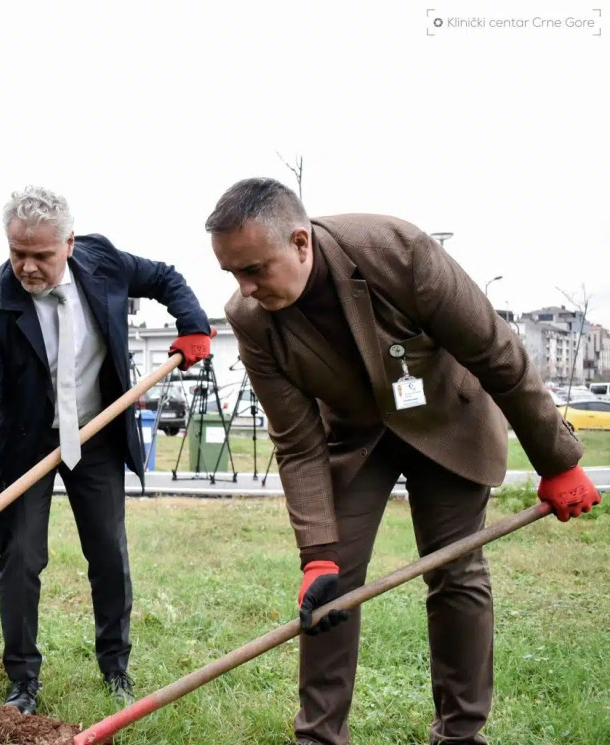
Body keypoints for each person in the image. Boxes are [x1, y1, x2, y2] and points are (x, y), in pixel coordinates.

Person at [207, 177, 601, 745]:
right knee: (328, 589)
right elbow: (297, 442)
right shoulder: (250, 318)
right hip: (356, 434)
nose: (245, 288)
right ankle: (319, 737)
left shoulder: (399, 251)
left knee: (455, 571)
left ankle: (461, 734)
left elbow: (496, 353)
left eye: (255, 269)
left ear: (299, 242)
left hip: (446, 417)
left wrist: (556, 460)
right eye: (232, 274)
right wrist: (317, 555)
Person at [0, 186, 213, 715]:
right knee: (19, 558)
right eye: (16, 253)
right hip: (24, 444)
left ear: (68, 243)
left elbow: (164, 277)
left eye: (40, 255)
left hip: (96, 431)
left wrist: (194, 323)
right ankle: (22, 679)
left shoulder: (104, 261)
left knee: (108, 552)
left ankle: (115, 666)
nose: (26, 267)